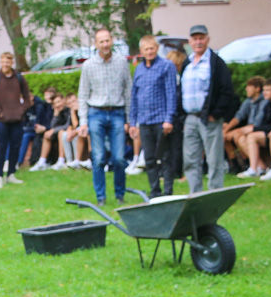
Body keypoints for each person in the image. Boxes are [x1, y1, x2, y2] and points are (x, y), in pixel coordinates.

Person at [180, 25, 238, 193]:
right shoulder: (188, 62)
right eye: (195, 39)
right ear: (190, 41)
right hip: (190, 118)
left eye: (201, 38)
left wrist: (216, 113)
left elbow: (227, 91)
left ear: (208, 39)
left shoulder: (216, 63)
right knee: (191, 159)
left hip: (209, 118)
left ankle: (214, 193)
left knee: (214, 159)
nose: (198, 42)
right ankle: (195, 194)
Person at [77, 28, 131, 206]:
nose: (105, 44)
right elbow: (83, 95)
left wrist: (129, 119)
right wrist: (83, 121)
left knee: (119, 158)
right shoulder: (89, 65)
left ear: (112, 41)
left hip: (117, 112)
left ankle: (120, 195)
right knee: (98, 158)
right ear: (96, 44)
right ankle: (101, 197)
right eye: (101, 41)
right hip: (96, 113)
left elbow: (128, 91)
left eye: (107, 40)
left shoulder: (122, 62)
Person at [128, 35, 177, 198]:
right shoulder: (139, 69)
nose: (149, 52)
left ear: (157, 49)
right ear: (141, 51)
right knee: (149, 158)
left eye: (152, 48)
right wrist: (132, 122)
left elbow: (171, 93)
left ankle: (168, 191)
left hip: (161, 120)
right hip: (144, 120)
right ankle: (155, 191)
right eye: (146, 49)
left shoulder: (166, 66)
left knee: (165, 157)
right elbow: (134, 96)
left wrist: (169, 119)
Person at [0, 51, 32, 189]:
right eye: (3, 62)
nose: (5, 64)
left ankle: (11, 173)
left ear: (12, 63)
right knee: (1, 148)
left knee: (15, 147)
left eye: (8, 62)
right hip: (0, 120)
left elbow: (27, 98)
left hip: (16, 119)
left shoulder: (19, 77)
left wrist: (21, 110)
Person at [240, 78, 271, 179]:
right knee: (243, 138)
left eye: (268, 90)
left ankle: (254, 169)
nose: (265, 93)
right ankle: (258, 167)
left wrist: (254, 129)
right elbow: (264, 124)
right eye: (264, 90)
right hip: (269, 133)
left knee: (251, 136)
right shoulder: (267, 104)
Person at [226, 77, 266, 177]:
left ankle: (259, 166)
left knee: (238, 135)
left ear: (257, 89)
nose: (246, 89)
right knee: (230, 136)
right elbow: (238, 117)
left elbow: (258, 123)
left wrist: (237, 130)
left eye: (249, 86)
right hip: (250, 129)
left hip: (260, 130)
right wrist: (226, 130)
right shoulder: (249, 101)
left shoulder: (264, 101)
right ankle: (257, 166)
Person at [165, 50, 188, 184]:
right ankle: (171, 171)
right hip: (172, 116)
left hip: (180, 117)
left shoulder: (181, 79)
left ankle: (177, 171)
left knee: (178, 146)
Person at [31, 94, 71, 170]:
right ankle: (42, 161)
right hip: (59, 133)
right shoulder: (58, 111)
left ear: (63, 100)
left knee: (61, 133)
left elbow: (67, 125)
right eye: (55, 103)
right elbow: (52, 126)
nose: (58, 104)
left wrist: (53, 130)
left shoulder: (68, 110)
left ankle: (61, 161)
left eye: (59, 101)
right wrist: (56, 115)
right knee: (47, 134)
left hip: (66, 133)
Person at [24, 87, 55, 170]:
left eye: (50, 95)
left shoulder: (55, 108)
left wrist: (46, 128)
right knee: (38, 135)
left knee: (46, 135)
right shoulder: (43, 106)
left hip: (53, 130)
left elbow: (56, 123)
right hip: (44, 129)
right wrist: (40, 127)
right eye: (46, 95)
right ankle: (37, 161)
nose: (48, 97)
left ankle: (45, 161)